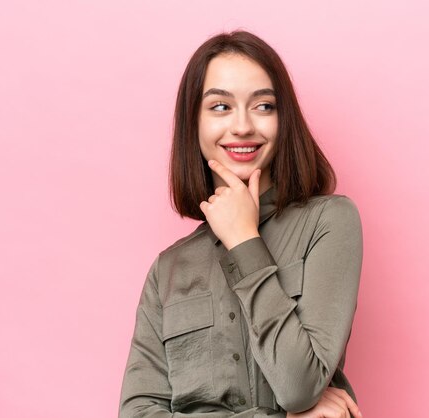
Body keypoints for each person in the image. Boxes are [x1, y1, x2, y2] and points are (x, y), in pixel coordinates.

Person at [119, 30, 364, 418]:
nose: (243, 126)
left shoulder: (329, 221)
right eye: (220, 107)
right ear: (193, 123)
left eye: (263, 106)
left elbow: (298, 387)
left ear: (284, 119)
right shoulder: (168, 269)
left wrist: (244, 239)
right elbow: (136, 412)